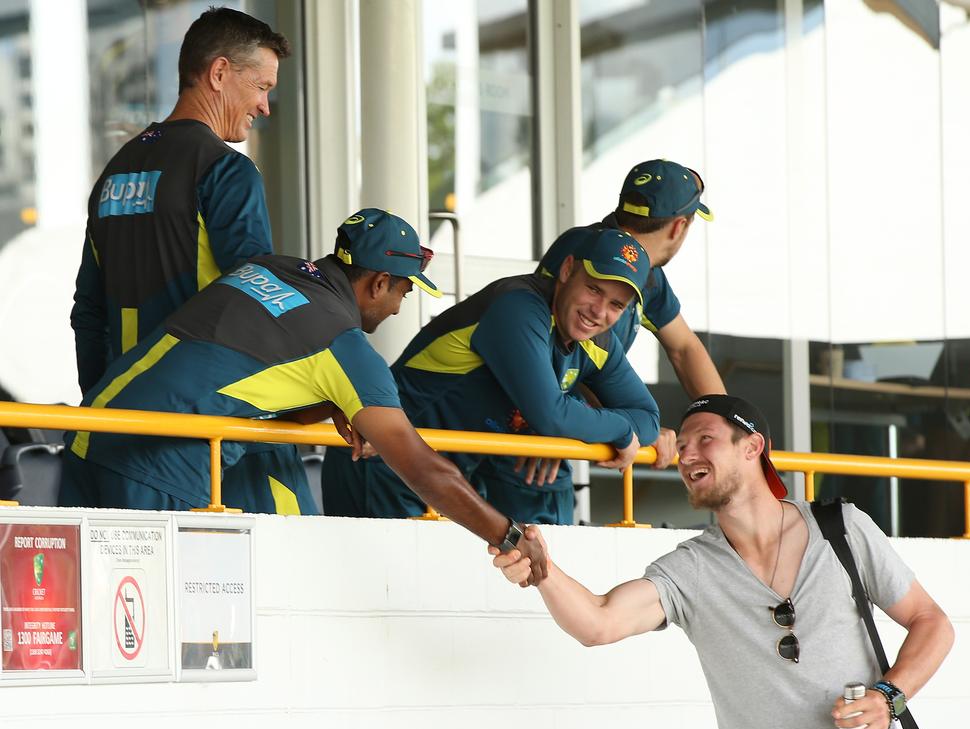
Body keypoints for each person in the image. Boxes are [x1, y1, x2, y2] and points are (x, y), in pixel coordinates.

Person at [59, 209, 547, 583]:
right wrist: (507, 535)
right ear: (378, 283)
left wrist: (329, 403)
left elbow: (242, 371)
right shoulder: (345, 345)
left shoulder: (267, 269)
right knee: (148, 643)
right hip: (158, 469)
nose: (398, 309)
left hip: (91, 436)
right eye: (403, 292)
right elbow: (421, 467)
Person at [490, 394, 954, 729]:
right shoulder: (693, 570)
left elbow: (931, 621)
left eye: (704, 438)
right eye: (683, 445)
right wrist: (542, 573)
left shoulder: (842, 529)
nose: (686, 453)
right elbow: (598, 622)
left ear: (752, 447)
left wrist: (888, 697)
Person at [70, 7, 312, 515]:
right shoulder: (226, 171)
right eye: (262, 86)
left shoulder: (115, 173)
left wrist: (105, 405)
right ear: (219, 73)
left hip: (120, 439)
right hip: (211, 438)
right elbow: (256, 308)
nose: (265, 106)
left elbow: (87, 312)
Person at [322, 227, 661, 524]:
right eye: (593, 289)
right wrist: (619, 430)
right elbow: (551, 415)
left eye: (617, 305)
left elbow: (648, 419)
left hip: (441, 479)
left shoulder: (597, 340)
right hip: (380, 464)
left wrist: (594, 425)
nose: (599, 311)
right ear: (567, 270)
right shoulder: (519, 307)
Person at [538, 159, 726, 468]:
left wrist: (731, 423)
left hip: (565, 429)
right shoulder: (591, 249)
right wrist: (633, 427)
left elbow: (683, 347)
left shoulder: (643, 268)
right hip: (530, 427)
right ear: (680, 227)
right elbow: (577, 350)